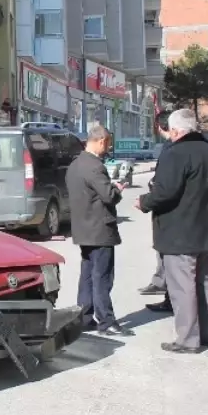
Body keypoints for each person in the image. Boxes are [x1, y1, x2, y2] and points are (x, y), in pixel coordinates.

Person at [135, 109, 208, 353]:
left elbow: (165, 192)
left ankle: (188, 339)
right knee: (205, 282)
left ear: (175, 131)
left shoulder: (176, 154)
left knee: (183, 286)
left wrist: (144, 202)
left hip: (180, 232)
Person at [67, 122, 130, 337]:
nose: (108, 149)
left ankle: (84, 317)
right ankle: (107, 321)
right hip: (100, 229)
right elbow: (108, 196)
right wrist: (118, 189)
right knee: (102, 276)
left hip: (83, 228)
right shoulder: (94, 166)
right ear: (101, 141)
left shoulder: (75, 165)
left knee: (87, 274)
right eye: (108, 144)